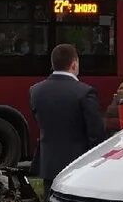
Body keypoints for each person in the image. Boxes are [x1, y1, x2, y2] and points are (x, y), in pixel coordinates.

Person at [30, 43, 107, 185]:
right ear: (74, 64)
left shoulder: (36, 91)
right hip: (78, 166)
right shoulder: (85, 92)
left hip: (48, 165)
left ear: (53, 64)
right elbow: (96, 133)